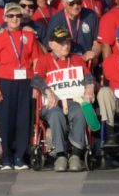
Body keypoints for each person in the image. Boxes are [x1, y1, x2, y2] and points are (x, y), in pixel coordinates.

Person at [0, 4, 39, 170]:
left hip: (26, 81)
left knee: (24, 120)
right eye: (11, 16)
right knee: (6, 119)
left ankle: (20, 157)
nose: (15, 19)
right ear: (5, 18)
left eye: (17, 15)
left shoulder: (29, 36)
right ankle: (7, 157)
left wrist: (37, 84)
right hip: (6, 80)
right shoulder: (0, 37)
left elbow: (37, 60)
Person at [34, 26, 94, 171]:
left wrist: (89, 88)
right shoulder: (44, 60)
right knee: (56, 114)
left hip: (73, 101)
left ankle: (76, 154)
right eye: (61, 43)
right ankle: (60, 155)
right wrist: (47, 91)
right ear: (51, 44)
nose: (65, 46)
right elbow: (36, 80)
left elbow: (88, 77)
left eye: (67, 42)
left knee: (81, 112)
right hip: (52, 103)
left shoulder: (76, 59)